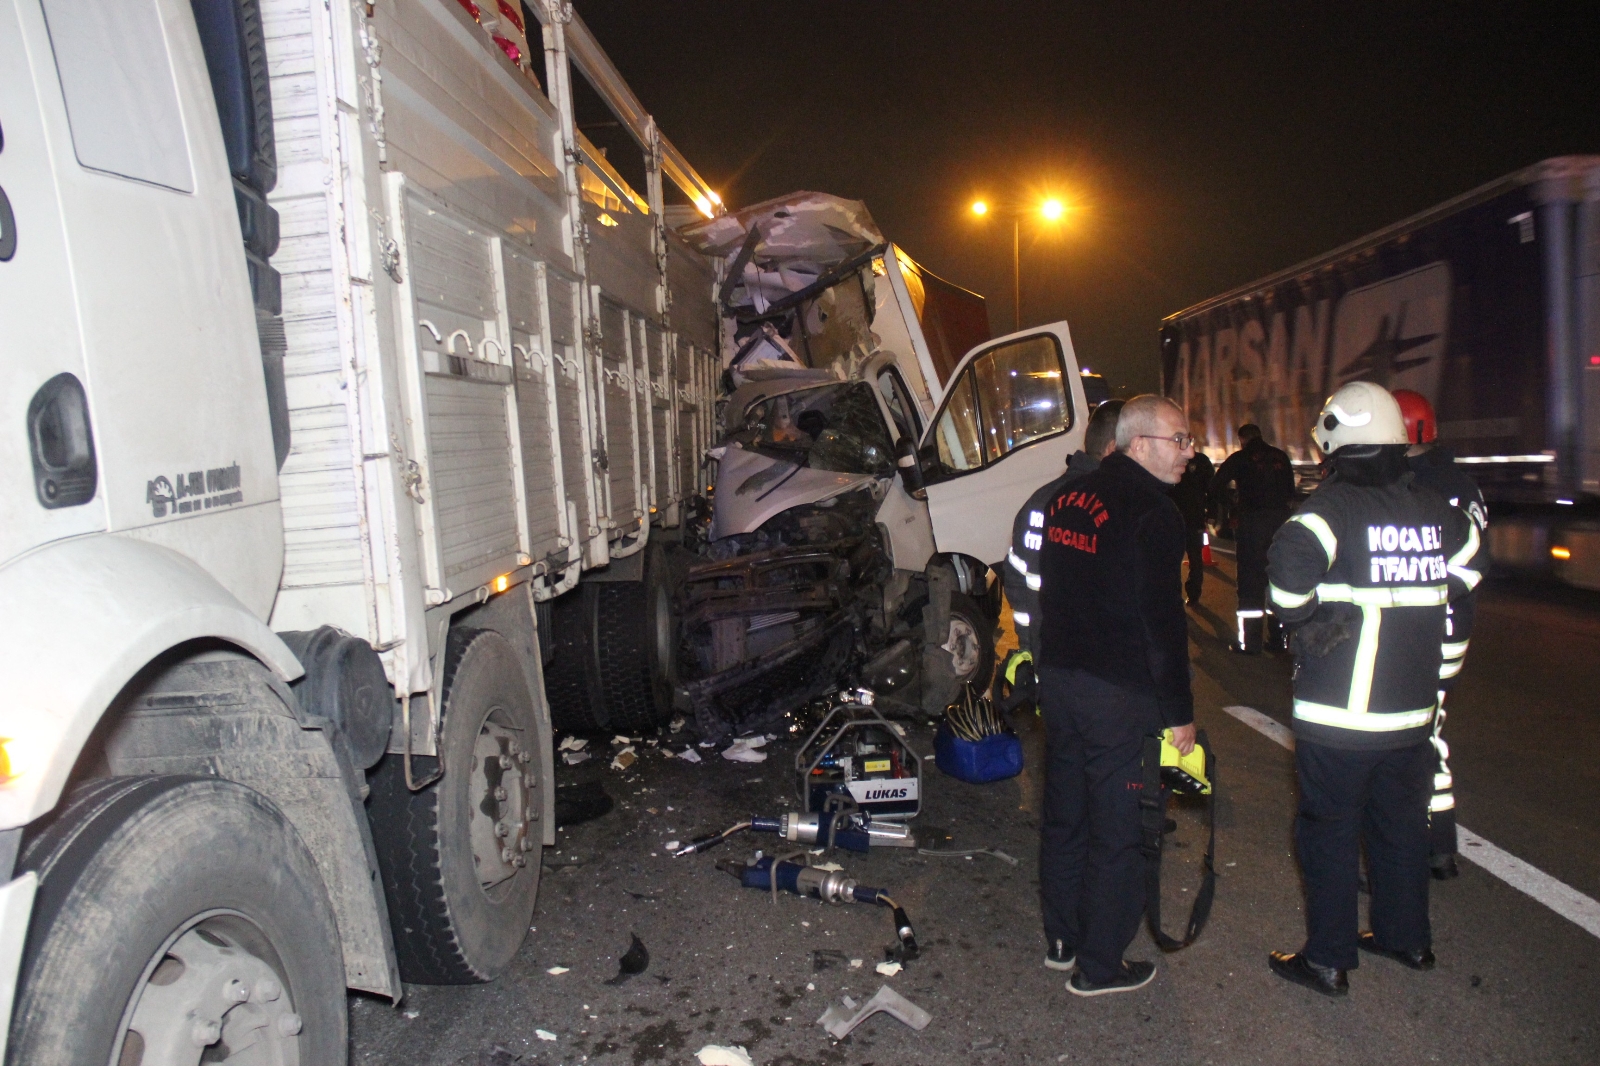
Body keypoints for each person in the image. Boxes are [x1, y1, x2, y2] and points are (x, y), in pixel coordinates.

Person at [1265, 382, 1480, 997]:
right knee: (1400, 828)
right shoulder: (1431, 507)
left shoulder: (1329, 509)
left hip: (1340, 717)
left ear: (1336, 440)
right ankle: (1405, 939)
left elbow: (1285, 580)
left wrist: (1309, 617)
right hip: (1413, 712)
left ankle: (1328, 960)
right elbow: (1470, 561)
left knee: (1328, 832)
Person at [1035, 394, 1197, 996]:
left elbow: (1050, 591)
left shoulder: (1068, 496)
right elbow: (1164, 622)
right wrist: (1179, 713)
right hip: (1116, 694)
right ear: (1139, 445)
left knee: (1065, 813)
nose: (1190, 452)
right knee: (1117, 827)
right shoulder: (1152, 511)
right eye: (1179, 439)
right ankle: (1100, 965)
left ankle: (1062, 939)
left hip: (1062, 682)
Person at [1393, 389, 1488, 880]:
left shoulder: (1408, 487)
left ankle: (1422, 846)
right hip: (1451, 634)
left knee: (1408, 740)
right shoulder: (1461, 484)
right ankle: (1439, 843)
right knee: (1428, 733)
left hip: (1419, 635)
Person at [1005, 399, 1125, 664]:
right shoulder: (1120, 508)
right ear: (1113, 450)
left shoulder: (1041, 500)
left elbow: (1016, 578)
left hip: (1048, 667)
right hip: (1102, 677)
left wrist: (1029, 644)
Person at [1210, 424, 1297, 652]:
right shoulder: (1280, 456)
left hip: (1252, 525)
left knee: (1251, 583)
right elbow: (1291, 492)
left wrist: (1231, 506)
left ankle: (1251, 643)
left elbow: (1216, 485)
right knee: (1277, 580)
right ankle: (1278, 641)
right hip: (1280, 526)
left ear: (1242, 439)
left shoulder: (1241, 458)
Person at [1171, 448, 1215, 605]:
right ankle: (1193, 595)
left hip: (1175, 517)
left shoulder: (1170, 457)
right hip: (1192, 517)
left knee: (1174, 559)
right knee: (1194, 557)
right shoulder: (1201, 461)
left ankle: (1176, 595)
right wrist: (1211, 512)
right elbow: (1212, 488)